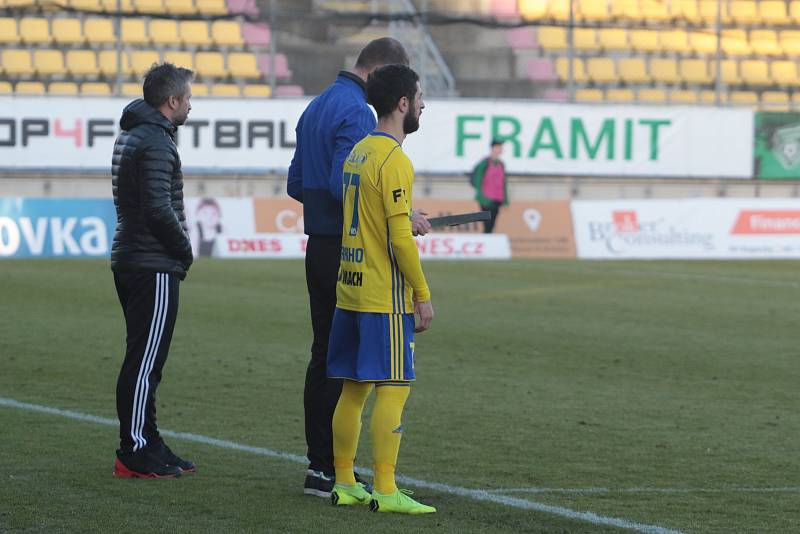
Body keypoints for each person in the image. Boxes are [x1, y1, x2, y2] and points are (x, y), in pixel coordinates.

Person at [287, 38, 431, 498]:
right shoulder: (357, 113)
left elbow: (297, 184)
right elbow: (343, 182)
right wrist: (399, 216)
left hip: (321, 247)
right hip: (353, 252)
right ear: (386, 74)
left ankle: (322, 467)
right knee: (356, 369)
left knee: (325, 355)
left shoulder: (315, 107)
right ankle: (332, 470)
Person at [327, 64, 436, 514]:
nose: (424, 104)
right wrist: (422, 293)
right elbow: (398, 241)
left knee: (353, 390)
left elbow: (380, 219)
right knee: (394, 387)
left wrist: (405, 216)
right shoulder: (395, 160)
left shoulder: (358, 152)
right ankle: (387, 489)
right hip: (380, 297)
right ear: (403, 104)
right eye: (420, 97)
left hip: (348, 289)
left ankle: (345, 481)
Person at [110, 62, 196, 478]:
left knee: (143, 359)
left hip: (131, 255)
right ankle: (134, 450)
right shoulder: (157, 142)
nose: (190, 107)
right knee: (145, 363)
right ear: (172, 101)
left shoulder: (132, 133)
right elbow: (159, 208)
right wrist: (184, 250)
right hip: (152, 261)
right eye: (188, 99)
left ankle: (149, 440)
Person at [471, 139, 509, 233]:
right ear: (493, 148)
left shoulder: (501, 164)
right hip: (486, 199)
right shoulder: (485, 163)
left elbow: (503, 183)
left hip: (497, 199)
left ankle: (489, 242)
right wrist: (481, 197)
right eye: (499, 147)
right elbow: (478, 180)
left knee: (492, 225)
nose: (501, 149)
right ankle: (486, 242)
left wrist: (505, 200)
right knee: (487, 224)